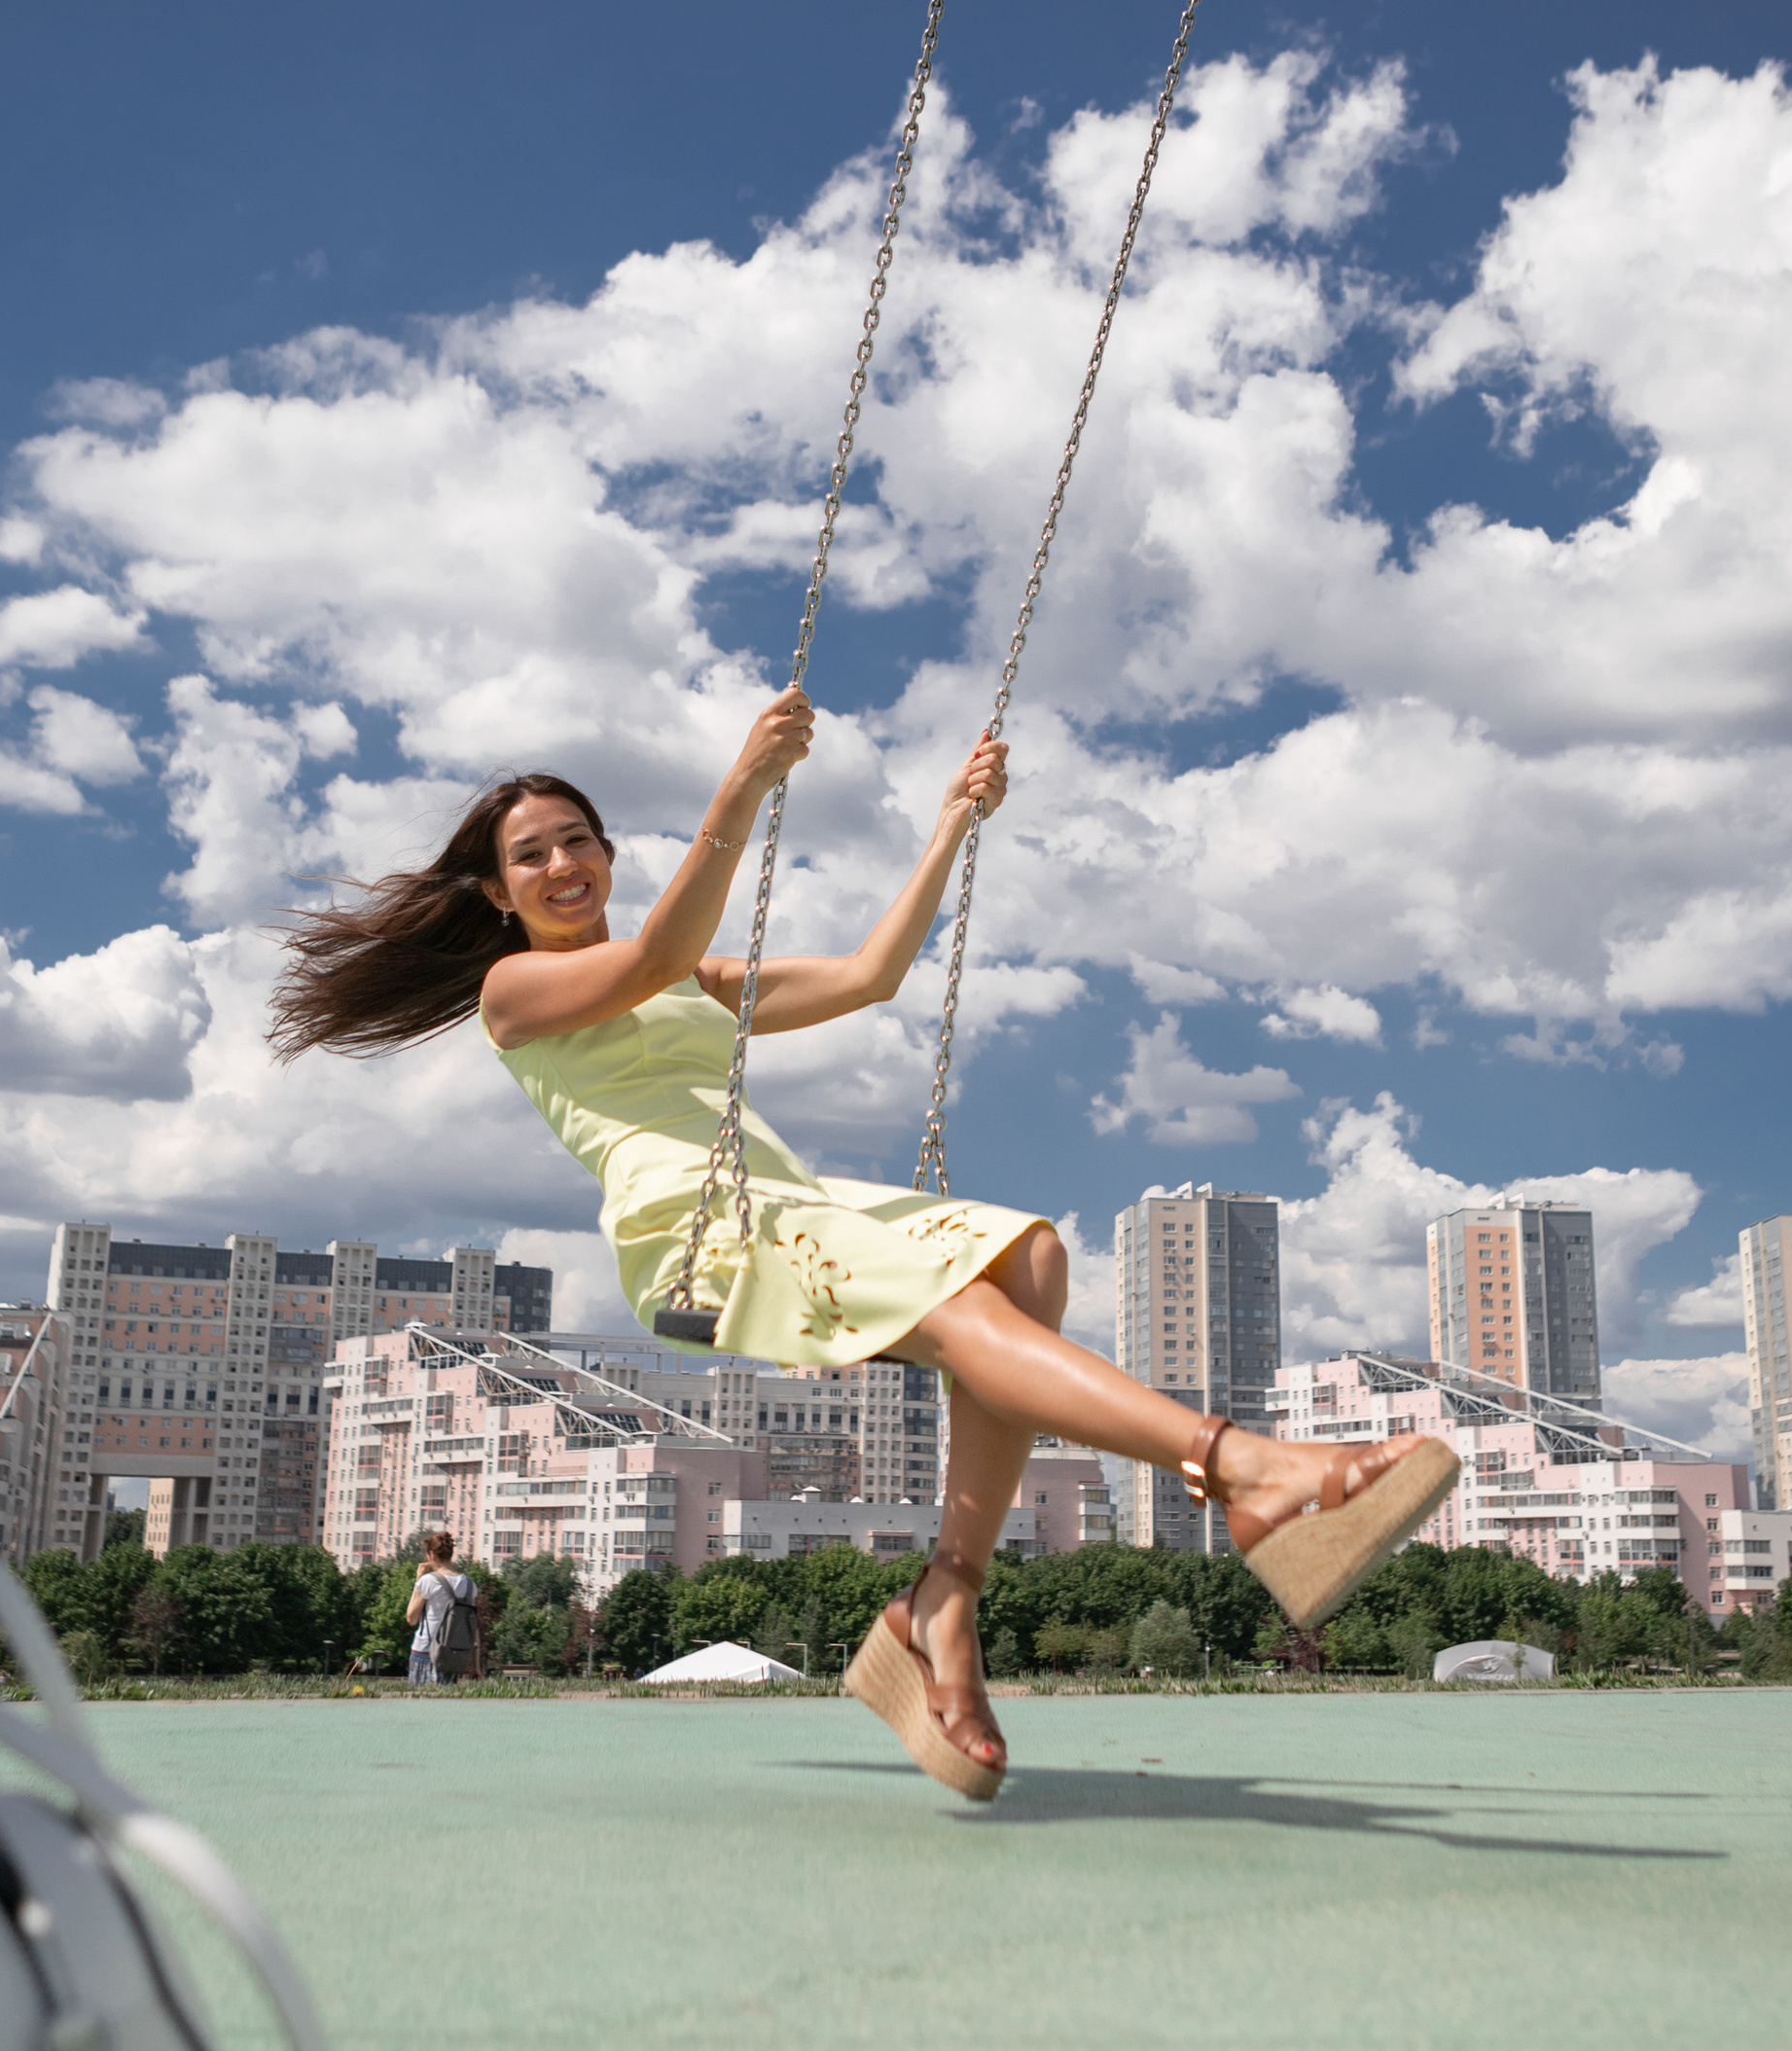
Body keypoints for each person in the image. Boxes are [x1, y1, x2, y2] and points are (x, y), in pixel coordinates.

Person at [272, 689, 1456, 1798]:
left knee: (1029, 1258)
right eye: (531, 854)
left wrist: (950, 825)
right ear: (498, 891)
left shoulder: (700, 979)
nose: (561, 863)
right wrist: (742, 787)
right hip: (700, 1224)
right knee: (968, 1315)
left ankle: (943, 1601)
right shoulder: (514, 991)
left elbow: (869, 975)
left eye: (577, 839)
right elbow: (646, 958)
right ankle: (1244, 1470)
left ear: (609, 854)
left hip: (800, 1200)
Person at [404, 1532, 476, 1685]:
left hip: (426, 1651)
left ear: (431, 1554)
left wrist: (418, 1581)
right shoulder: (469, 1584)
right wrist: (476, 1666)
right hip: (455, 1655)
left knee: (419, 1698)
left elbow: (411, 1618)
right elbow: (473, 1626)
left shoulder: (428, 1581)